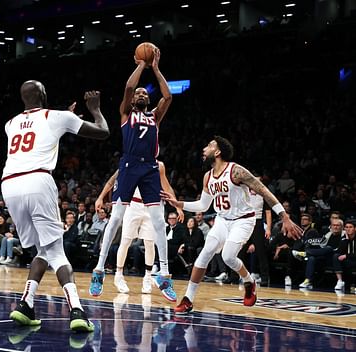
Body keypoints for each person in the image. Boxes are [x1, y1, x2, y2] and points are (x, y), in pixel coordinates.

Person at [2, 80, 109, 332]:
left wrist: (66, 116)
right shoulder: (57, 116)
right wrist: (95, 109)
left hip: (9, 185)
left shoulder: (10, 124)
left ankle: (26, 305)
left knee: (44, 249)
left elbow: (39, 127)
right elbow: (103, 131)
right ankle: (77, 310)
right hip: (38, 179)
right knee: (58, 252)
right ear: (44, 94)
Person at [161, 136, 303, 314]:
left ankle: (249, 281)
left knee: (228, 256)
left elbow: (264, 191)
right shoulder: (207, 177)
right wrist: (179, 204)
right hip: (222, 220)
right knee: (204, 255)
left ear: (218, 152)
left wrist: (284, 216)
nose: (204, 149)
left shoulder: (236, 171)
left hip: (243, 220)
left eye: (209, 145)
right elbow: (203, 206)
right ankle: (188, 299)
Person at [89, 46, 176, 302]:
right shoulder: (126, 114)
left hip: (149, 166)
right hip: (128, 165)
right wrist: (141, 64)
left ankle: (164, 275)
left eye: (142, 93)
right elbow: (128, 89)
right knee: (115, 219)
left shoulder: (154, 116)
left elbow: (168, 97)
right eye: (137, 92)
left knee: (159, 222)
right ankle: (99, 270)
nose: (139, 93)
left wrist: (156, 69)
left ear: (147, 99)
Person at [95, 161, 183, 295]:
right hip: (133, 205)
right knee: (125, 241)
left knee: (149, 243)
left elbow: (167, 187)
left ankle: (148, 277)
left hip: (152, 205)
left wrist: (178, 206)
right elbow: (112, 181)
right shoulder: (131, 161)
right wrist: (100, 197)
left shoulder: (159, 165)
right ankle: (118, 275)